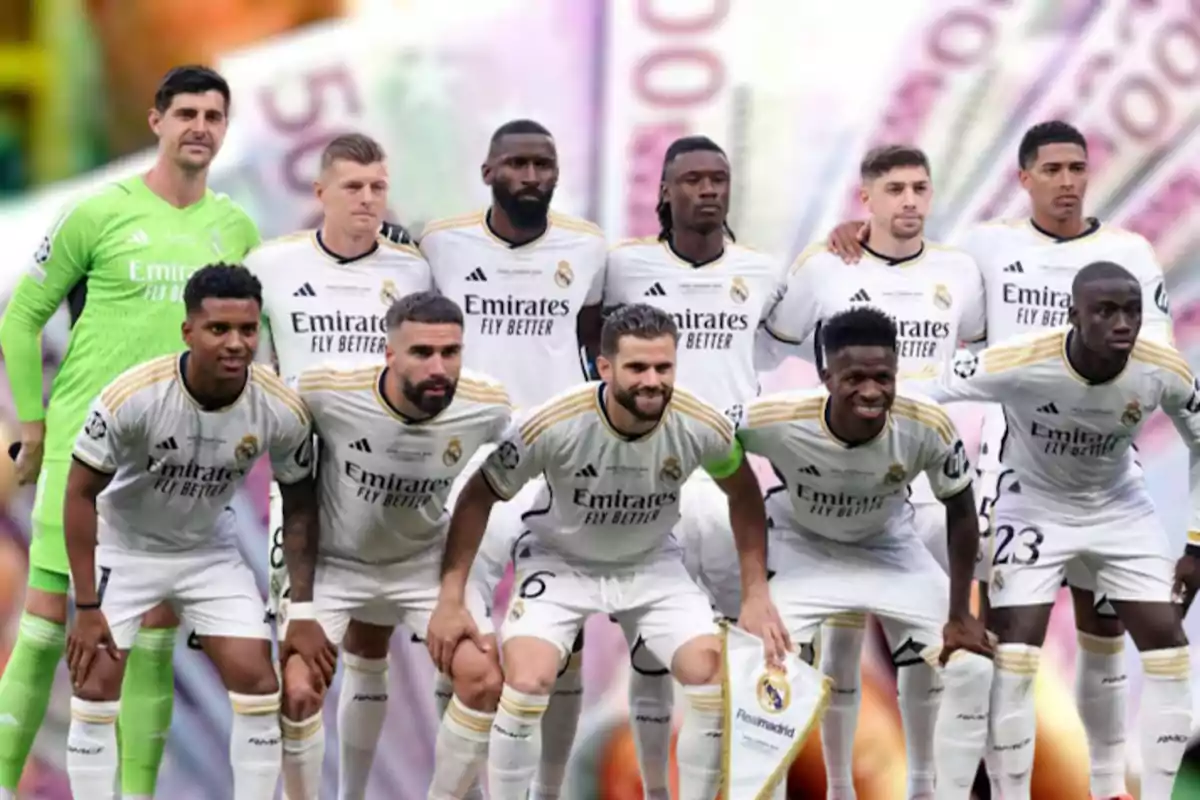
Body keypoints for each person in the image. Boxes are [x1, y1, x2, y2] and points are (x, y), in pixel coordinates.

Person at [823, 121, 1174, 799]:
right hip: (1010, 473)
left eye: (1078, 168)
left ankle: (1106, 783)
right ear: (1025, 179)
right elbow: (924, 276)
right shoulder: (988, 246)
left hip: (1100, 470)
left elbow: (1155, 360)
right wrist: (856, 241)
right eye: (1052, 170)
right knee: (975, 644)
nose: (1067, 183)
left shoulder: (1130, 251)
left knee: (1093, 634)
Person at [0, 65, 260, 800]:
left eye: (214, 115)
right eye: (185, 113)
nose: (199, 129)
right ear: (158, 121)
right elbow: (23, 318)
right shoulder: (91, 217)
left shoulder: (234, 225)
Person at [425, 304, 788, 800]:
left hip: (651, 564)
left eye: (664, 367)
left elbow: (743, 493)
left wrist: (756, 592)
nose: (653, 380)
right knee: (527, 682)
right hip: (560, 563)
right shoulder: (554, 423)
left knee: (708, 675)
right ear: (605, 368)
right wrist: (451, 595)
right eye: (638, 367)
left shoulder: (699, 423)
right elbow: (480, 495)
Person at [760, 143, 987, 797]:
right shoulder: (826, 268)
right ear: (867, 199)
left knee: (935, 653)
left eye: (921, 187)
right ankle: (837, 787)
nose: (910, 200)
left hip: (929, 481)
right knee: (839, 648)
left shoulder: (959, 272)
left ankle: (928, 786)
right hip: (840, 482)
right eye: (895, 189)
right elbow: (769, 348)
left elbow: (976, 346)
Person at [925, 261, 1198, 800]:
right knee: (1017, 655)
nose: (1123, 323)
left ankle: (1129, 792)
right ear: (1073, 315)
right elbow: (922, 388)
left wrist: (1197, 543)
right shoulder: (1023, 360)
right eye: (1106, 311)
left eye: (1132, 311)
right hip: (1035, 510)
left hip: (1119, 507)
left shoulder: (1162, 367)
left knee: (1167, 648)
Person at [61, 264, 323, 799]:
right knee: (95, 682)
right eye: (218, 329)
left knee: (258, 680)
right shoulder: (132, 398)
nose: (236, 344)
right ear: (188, 331)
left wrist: (303, 610)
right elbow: (80, 494)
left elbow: (299, 502)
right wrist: (87, 608)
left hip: (210, 553)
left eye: (248, 331)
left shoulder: (281, 407)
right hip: (127, 549)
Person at [418, 118, 608, 798]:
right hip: (466, 457)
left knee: (566, 629)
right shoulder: (442, 242)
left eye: (544, 165)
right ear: (488, 171)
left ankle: (549, 789)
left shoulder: (587, 247)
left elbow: (592, 339)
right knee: (461, 622)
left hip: (555, 457)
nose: (532, 177)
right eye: (518, 164)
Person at [241, 131, 434, 799]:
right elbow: (253, 369)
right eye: (353, 187)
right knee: (300, 669)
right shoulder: (269, 265)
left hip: (396, 490)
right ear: (320, 192)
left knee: (372, 652)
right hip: (305, 495)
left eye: (378, 186)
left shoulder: (414, 269)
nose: (367, 199)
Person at [737, 306, 995, 800]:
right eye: (854, 377)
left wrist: (961, 612)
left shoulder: (927, 424)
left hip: (889, 551)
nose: (872, 391)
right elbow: (712, 450)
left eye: (883, 376)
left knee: (972, 667)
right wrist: (753, 588)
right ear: (826, 375)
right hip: (804, 551)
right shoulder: (775, 418)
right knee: (766, 664)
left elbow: (961, 512)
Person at [603, 134, 780, 798]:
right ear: (665, 191)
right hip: (651, 478)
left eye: (718, 179)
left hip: (732, 477)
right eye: (693, 179)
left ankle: (748, 785)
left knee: (748, 639)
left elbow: (788, 336)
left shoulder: (761, 271)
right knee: (653, 646)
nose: (708, 190)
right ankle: (656, 788)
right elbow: (586, 332)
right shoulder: (623, 267)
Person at [277, 292, 508, 800]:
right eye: (422, 352)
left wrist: (453, 599)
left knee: (483, 681)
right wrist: (301, 604)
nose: (439, 368)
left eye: (451, 353)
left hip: (421, 566)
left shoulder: (487, 406)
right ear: (389, 354)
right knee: (296, 691)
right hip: (334, 566)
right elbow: (287, 473)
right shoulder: (324, 391)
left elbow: (491, 490)